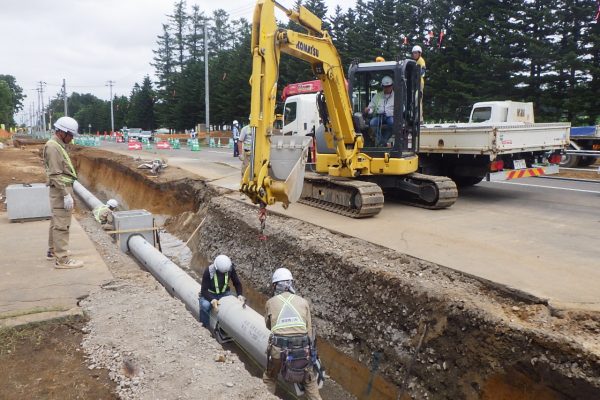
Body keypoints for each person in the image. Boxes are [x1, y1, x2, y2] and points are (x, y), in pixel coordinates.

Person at [263, 268, 322, 400]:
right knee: (309, 380)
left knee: (270, 377)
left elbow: (268, 326)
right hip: (302, 351)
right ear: (290, 284)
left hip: (279, 351)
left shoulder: (270, 302)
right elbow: (309, 331)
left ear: (275, 285)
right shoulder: (303, 302)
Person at [44, 116, 84, 269]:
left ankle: (53, 250)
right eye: (71, 135)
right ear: (62, 132)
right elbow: (55, 174)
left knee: (56, 221)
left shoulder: (57, 145)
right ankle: (62, 259)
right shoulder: (53, 147)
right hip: (61, 189)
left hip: (61, 188)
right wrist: (65, 194)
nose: (72, 138)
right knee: (62, 224)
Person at [198, 255, 244, 328]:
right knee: (205, 305)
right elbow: (203, 290)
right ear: (216, 268)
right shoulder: (209, 271)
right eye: (220, 272)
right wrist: (211, 299)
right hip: (210, 294)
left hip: (224, 293)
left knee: (235, 305)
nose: (222, 274)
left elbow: (237, 283)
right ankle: (204, 327)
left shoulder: (230, 269)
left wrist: (240, 295)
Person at [364, 76, 395, 146]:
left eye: (389, 86)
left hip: (390, 116)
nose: (387, 88)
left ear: (392, 86)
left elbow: (402, 108)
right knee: (372, 123)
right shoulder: (377, 96)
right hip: (379, 116)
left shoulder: (396, 96)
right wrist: (368, 110)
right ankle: (381, 141)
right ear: (382, 86)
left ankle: (383, 141)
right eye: (385, 86)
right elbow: (372, 107)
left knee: (392, 123)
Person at [412, 45, 426, 122]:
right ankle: (417, 118)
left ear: (419, 53)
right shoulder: (416, 61)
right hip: (416, 83)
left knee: (418, 100)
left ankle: (420, 119)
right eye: (413, 53)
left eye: (416, 53)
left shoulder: (421, 60)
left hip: (420, 83)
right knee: (415, 100)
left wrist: (418, 75)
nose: (414, 54)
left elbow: (423, 70)